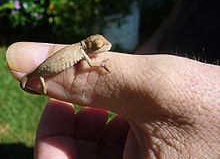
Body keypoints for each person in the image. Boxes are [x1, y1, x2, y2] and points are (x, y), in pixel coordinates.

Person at [6, 42, 220, 158]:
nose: (105, 48)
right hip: (44, 71)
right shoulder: (82, 52)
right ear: (90, 46)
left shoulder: (84, 49)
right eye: (99, 47)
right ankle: (37, 83)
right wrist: (100, 65)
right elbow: (90, 65)